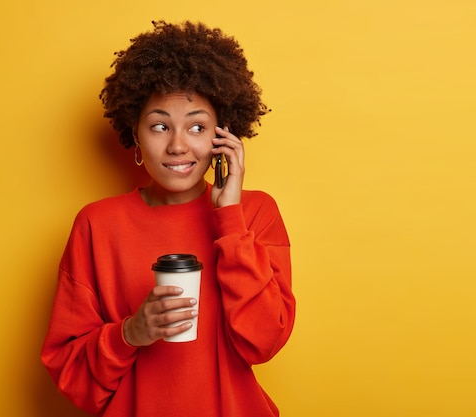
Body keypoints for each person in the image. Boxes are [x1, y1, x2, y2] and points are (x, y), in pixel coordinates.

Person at [41, 20, 295, 417]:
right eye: (160, 126)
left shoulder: (255, 213)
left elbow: (263, 342)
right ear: (136, 135)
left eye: (197, 126)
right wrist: (130, 334)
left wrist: (229, 217)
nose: (178, 145)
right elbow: (69, 372)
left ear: (222, 137)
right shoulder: (96, 224)